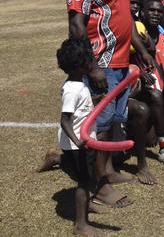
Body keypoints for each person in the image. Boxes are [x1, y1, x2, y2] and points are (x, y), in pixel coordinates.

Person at [66, 0, 154, 208]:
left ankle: (107, 170)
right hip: (100, 64)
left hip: (121, 61)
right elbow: (76, 26)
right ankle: (98, 184)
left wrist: (140, 51)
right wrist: (92, 67)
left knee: (115, 119)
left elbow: (126, 18)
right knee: (100, 126)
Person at [37, 38, 103, 235]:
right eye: (90, 58)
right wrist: (77, 141)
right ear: (81, 64)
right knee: (84, 182)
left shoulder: (78, 83)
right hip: (78, 144)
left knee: (84, 173)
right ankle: (80, 224)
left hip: (80, 142)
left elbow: (80, 107)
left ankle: (55, 159)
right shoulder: (72, 90)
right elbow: (65, 119)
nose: (93, 60)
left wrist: (97, 99)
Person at [128, 0, 164, 186]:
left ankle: (150, 133)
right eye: (151, 10)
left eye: (159, 11)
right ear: (142, 13)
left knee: (148, 139)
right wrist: (138, 71)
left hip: (153, 92)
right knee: (155, 94)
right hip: (133, 87)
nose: (155, 14)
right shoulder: (135, 30)